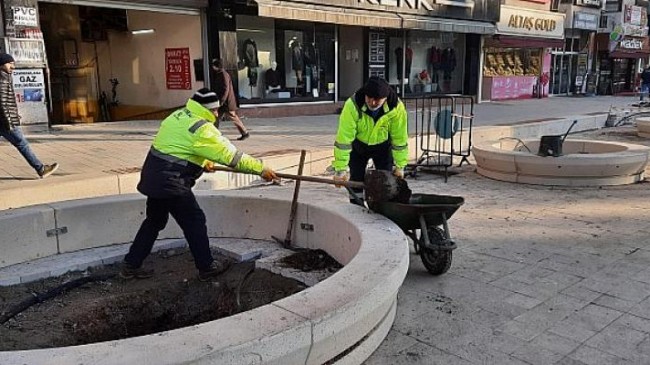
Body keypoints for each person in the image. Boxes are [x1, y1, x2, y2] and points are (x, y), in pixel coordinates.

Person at [121, 88, 277, 281]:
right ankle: (206, 266)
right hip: (171, 182)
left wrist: (203, 162)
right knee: (194, 220)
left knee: (154, 221)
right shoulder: (202, 128)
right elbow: (233, 158)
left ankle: (131, 264)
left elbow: (180, 146)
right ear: (207, 110)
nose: (217, 113)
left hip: (154, 177)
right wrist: (261, 169)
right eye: (215, 110)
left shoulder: (178, 115)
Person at [332, 77, 408, 205]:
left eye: (377, 100)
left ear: (385, 98)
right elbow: (343, 139)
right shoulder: (352, 105)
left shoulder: (396, 107)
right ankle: (357, 207)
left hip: (383, 147)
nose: (372, 103)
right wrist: (340, 169)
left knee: (386, 181)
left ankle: (383, 208)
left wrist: (400, 166)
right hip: (359, 147)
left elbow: (399, 138)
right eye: (369, 98)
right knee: (356, 179)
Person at [0, 53, 58, 179]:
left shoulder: (5, 76)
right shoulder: (2, 78)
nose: (12, 66)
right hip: (5, 121)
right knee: (22, 143)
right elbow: (2, 103)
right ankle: (41, 169)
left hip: (3, 120)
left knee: (21, 143)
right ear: (1, 64)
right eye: (9, 63)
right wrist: (9, 121)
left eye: (13, 64)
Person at [211, 59, 250, 140]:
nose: (212, 67)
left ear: (216, 66)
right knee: (216, 117)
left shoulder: (223, 75)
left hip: (226, 102)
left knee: (231, 116)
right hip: (224, 102)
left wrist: (221, 101)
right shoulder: (220, 74)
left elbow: (225, 89)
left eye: (213, 66)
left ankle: (244, 132)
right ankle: (213, 134)